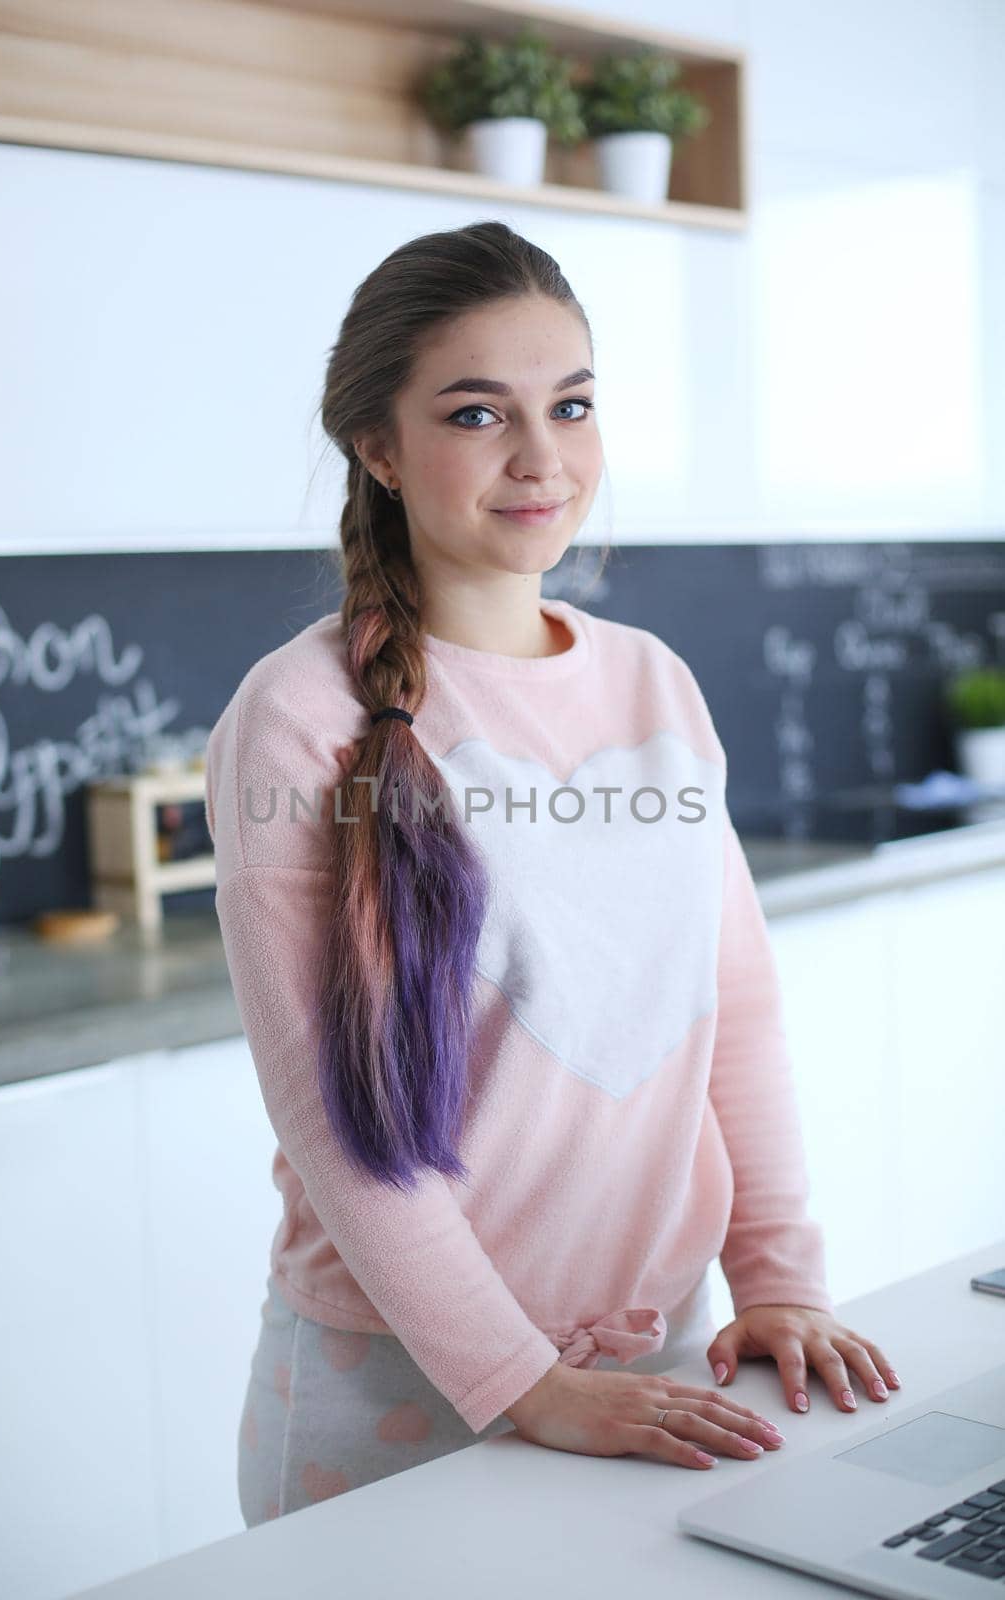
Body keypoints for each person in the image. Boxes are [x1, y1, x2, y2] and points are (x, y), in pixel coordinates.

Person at [206, 220, 899, 1526]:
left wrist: (780, 1278)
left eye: (571, 405)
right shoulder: (299, 717)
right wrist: (523, 1381)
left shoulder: (653, 683)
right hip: (401, 1392)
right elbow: (342, 1124)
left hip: (660, 1357)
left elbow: (728, 1015)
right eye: (478, 413)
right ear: (379, 447)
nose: (543, 458)